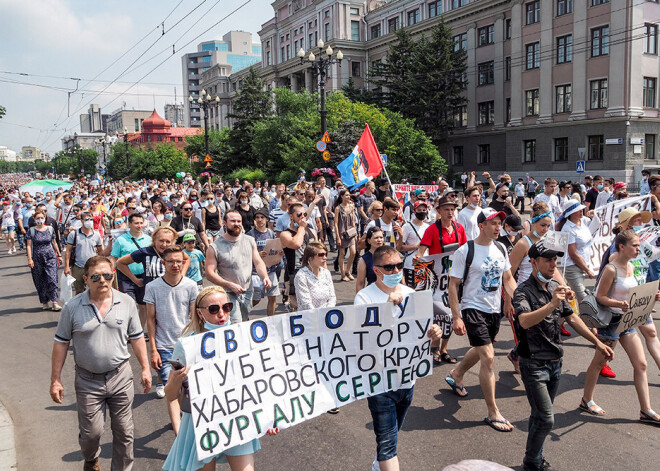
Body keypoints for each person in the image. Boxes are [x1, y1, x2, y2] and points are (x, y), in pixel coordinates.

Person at [513, 241, 614, 471]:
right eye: (547, 259)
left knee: (539, 416)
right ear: (533, 262)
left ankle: (533, 459)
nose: (553, 264)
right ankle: (532, 463)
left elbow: (572, 318)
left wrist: (598, 342)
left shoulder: (554, 287)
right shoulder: (523, 291)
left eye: (555, 260)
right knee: (547, 419)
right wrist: (551, 305)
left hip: (555, 363)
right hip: (534, 365)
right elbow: (524, 321)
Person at [50, 256, 151, 471]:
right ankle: (91, 459)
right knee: (91, 433)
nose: (102, 280)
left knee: (125, 431)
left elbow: (137, 337)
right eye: (96, 277)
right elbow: (60, 343)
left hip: (120, 377)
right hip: (88, 381)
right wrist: (55, 380)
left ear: (113, 276)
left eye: (107, 275)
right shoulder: (72, 307)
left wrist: (145, 368)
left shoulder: (126, 302)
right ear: (86, 279)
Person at [162, 286, 279, 471]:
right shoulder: (187, 345)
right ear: (200, 313)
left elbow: (258, 382)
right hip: (201, 423)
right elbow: (170, 394)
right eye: (214, 309)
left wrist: (269, 417)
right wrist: (177, 378)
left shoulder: (243, 337)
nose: (222, 314)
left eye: (227, 307)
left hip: (238, 418)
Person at [354, 245, 443, 471]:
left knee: (392, 435)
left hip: (407, 381)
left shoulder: (413, 295)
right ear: (376, 270)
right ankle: (383, 460)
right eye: (389, 267)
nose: (396, 271)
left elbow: (425, 342)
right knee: (387, 445)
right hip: (380, 384)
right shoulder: (364, 297)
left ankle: (379, 463)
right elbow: (362, 341)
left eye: (399, 266)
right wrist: (386, 306)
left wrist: (434, 336)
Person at [445, 208, 517, 432]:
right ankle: (493, 411)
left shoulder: (501, 248)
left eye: (499, 223)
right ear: (482, 226)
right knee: (488, 357)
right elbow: (453, 285)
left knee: (480, 348)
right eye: (493, 223)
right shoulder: (466, 250)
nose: (498, 227)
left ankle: (457, 374)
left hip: (493, 309)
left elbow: (507, 277)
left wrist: (512, 301)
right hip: (472, 307)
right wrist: (456, 316)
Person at [580, 230, 660, 425]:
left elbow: (632, 296)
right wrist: (617, 304)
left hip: (628, 322)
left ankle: (646, 410)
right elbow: (600, 297)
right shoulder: (611, 269)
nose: (638, 249)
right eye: (635, 246)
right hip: (611, 324)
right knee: (599, 363)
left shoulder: (632, 266)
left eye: (639, 246)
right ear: (622, 246)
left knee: (641, 364)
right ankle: (586, 400)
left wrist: (651, 298)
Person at [144, 245, 197, 433]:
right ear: (163, 263)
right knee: (172, 391)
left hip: (187, 345)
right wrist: (153, 349)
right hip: (165, 347)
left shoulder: (191, 285)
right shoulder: (152, 287)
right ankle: (178, 434)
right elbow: (150, 319)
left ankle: (183, 421)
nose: (175, 265)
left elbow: (194, 317)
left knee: (187, 389)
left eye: (179, 261)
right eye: (171, 261)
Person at [416, 195, 467, 364]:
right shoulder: (432, 229)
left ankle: (444, 349)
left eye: (453, 209)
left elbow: (465, 250)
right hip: (437, 280)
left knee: (453, 314)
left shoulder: (459, 228)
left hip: (455, 279)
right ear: (438, 211)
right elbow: (421, 251)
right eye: (446, 209)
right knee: (438, 315)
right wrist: (418, 259)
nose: (450, 212)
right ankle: (434, 348)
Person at [205, 210, 271, 324]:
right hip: (228, 293)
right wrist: (229, 285)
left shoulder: (250, 240)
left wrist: (265, 276)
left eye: (239, 221)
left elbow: (258, 262)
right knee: (237, 323)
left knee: (244, 321)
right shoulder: (215, 246)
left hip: (247, 290)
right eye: (233, 221)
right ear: (224, 223)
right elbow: (210, 273)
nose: (237, 224)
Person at [116, 226, 188, 291]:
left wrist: (182, 275)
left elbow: (187, 259)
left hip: (170, 292)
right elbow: (120, 262)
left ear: (172, 242)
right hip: (149, 294)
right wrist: (135, 280)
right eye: (161, 241)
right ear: (154, 240)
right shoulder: (145, 252)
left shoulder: (176, 252)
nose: (164, 244)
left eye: (168, 242)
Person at [280, 202, 317, 311]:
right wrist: (301, 227)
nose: (302, 217)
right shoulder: (286, 234)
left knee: (313, 306)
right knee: (297, 310)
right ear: (291, 216)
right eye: (299, 214)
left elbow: (319, 251)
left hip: (312, 273)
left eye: (304, 215)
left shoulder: (311, 231)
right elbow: (296, 244)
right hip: (295, 274)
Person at [558, 199, 594, 302]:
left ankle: (565, 316)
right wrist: (587, 270)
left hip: (584, 263)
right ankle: (582, 318)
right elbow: (573, 254)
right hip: (572, 267)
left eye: (581, 209)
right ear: (571, 213)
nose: (581, 211)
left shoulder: (584, 221)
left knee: (570, 297)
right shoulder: (567, 229)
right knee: (583, 299)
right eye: (578, 210)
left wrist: (595, 213)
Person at [26, 209, 63, 311]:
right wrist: (30, 259)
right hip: (37, 257)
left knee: (52, 279)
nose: (40, 220)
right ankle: (44, 302)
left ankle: (55, 302)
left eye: (42, 218)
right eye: (38, 218)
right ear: (34, 219)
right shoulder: (31, 230)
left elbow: (54, 242)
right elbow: (29, 246)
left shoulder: (50, 229)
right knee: (40, 280)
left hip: (50, 256)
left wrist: (59, 255)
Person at [247, 208, 280, 317]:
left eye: (262, 217)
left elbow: (275, 248)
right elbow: (244, 253)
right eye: (257, 218)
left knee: (272, 297)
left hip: (270, 271)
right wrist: (256, 255)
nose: (260, 220)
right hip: (256, 273)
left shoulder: (271, 233)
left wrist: (278, 253)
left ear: (266, 219)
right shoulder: (250, 234)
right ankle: (243, 314)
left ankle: (271, 321)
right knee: (256, 299)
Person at [64, 211, 103, 295]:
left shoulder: (96, 235)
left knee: (94, 289)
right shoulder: (74, 234)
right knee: (79, 291)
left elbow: (100, 251)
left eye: (91, 219)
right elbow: (68, 251)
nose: (89, 221)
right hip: (78, 266)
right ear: (81, 220)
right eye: (86, 219)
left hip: (93, 267)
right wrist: (66, 266)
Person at [294, 241, 336, 311]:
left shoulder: (326, 273)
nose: (325, 257)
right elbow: (306, 303)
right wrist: (318, 315)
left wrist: (328, 312)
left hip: (327, 315)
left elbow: (332, 297)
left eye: (326, 254)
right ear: (310, 258)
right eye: (321, 255)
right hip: (309, 316)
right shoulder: (301, 276)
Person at [398, 200, 430, 286]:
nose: (422, 212)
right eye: (419, 210)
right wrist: (416, 246)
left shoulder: (428, 227)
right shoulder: (407, 226)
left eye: (424, 210)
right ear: (414, 211)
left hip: (426, 264)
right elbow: (400, 247)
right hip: (411, 264)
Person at [334, 189, 358, 282]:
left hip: (351, 232)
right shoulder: (338, 208)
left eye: (349, 195)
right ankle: (343, 274)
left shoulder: (351, 207)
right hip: (342, 232)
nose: (348, 197)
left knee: (353, 252)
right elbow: (336, 223)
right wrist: (337, 236)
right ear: (342, 196)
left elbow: (353, 221)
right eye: (346, 195)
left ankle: (347, 270)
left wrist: (355, 233)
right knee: (342, 254)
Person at [356, 226, 385, 292]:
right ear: (369, 240)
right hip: (372, 294)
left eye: (381, 237)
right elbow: (360, 284)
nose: (379, 240)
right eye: (376, 238)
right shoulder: (364, 259)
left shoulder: (388, 255)